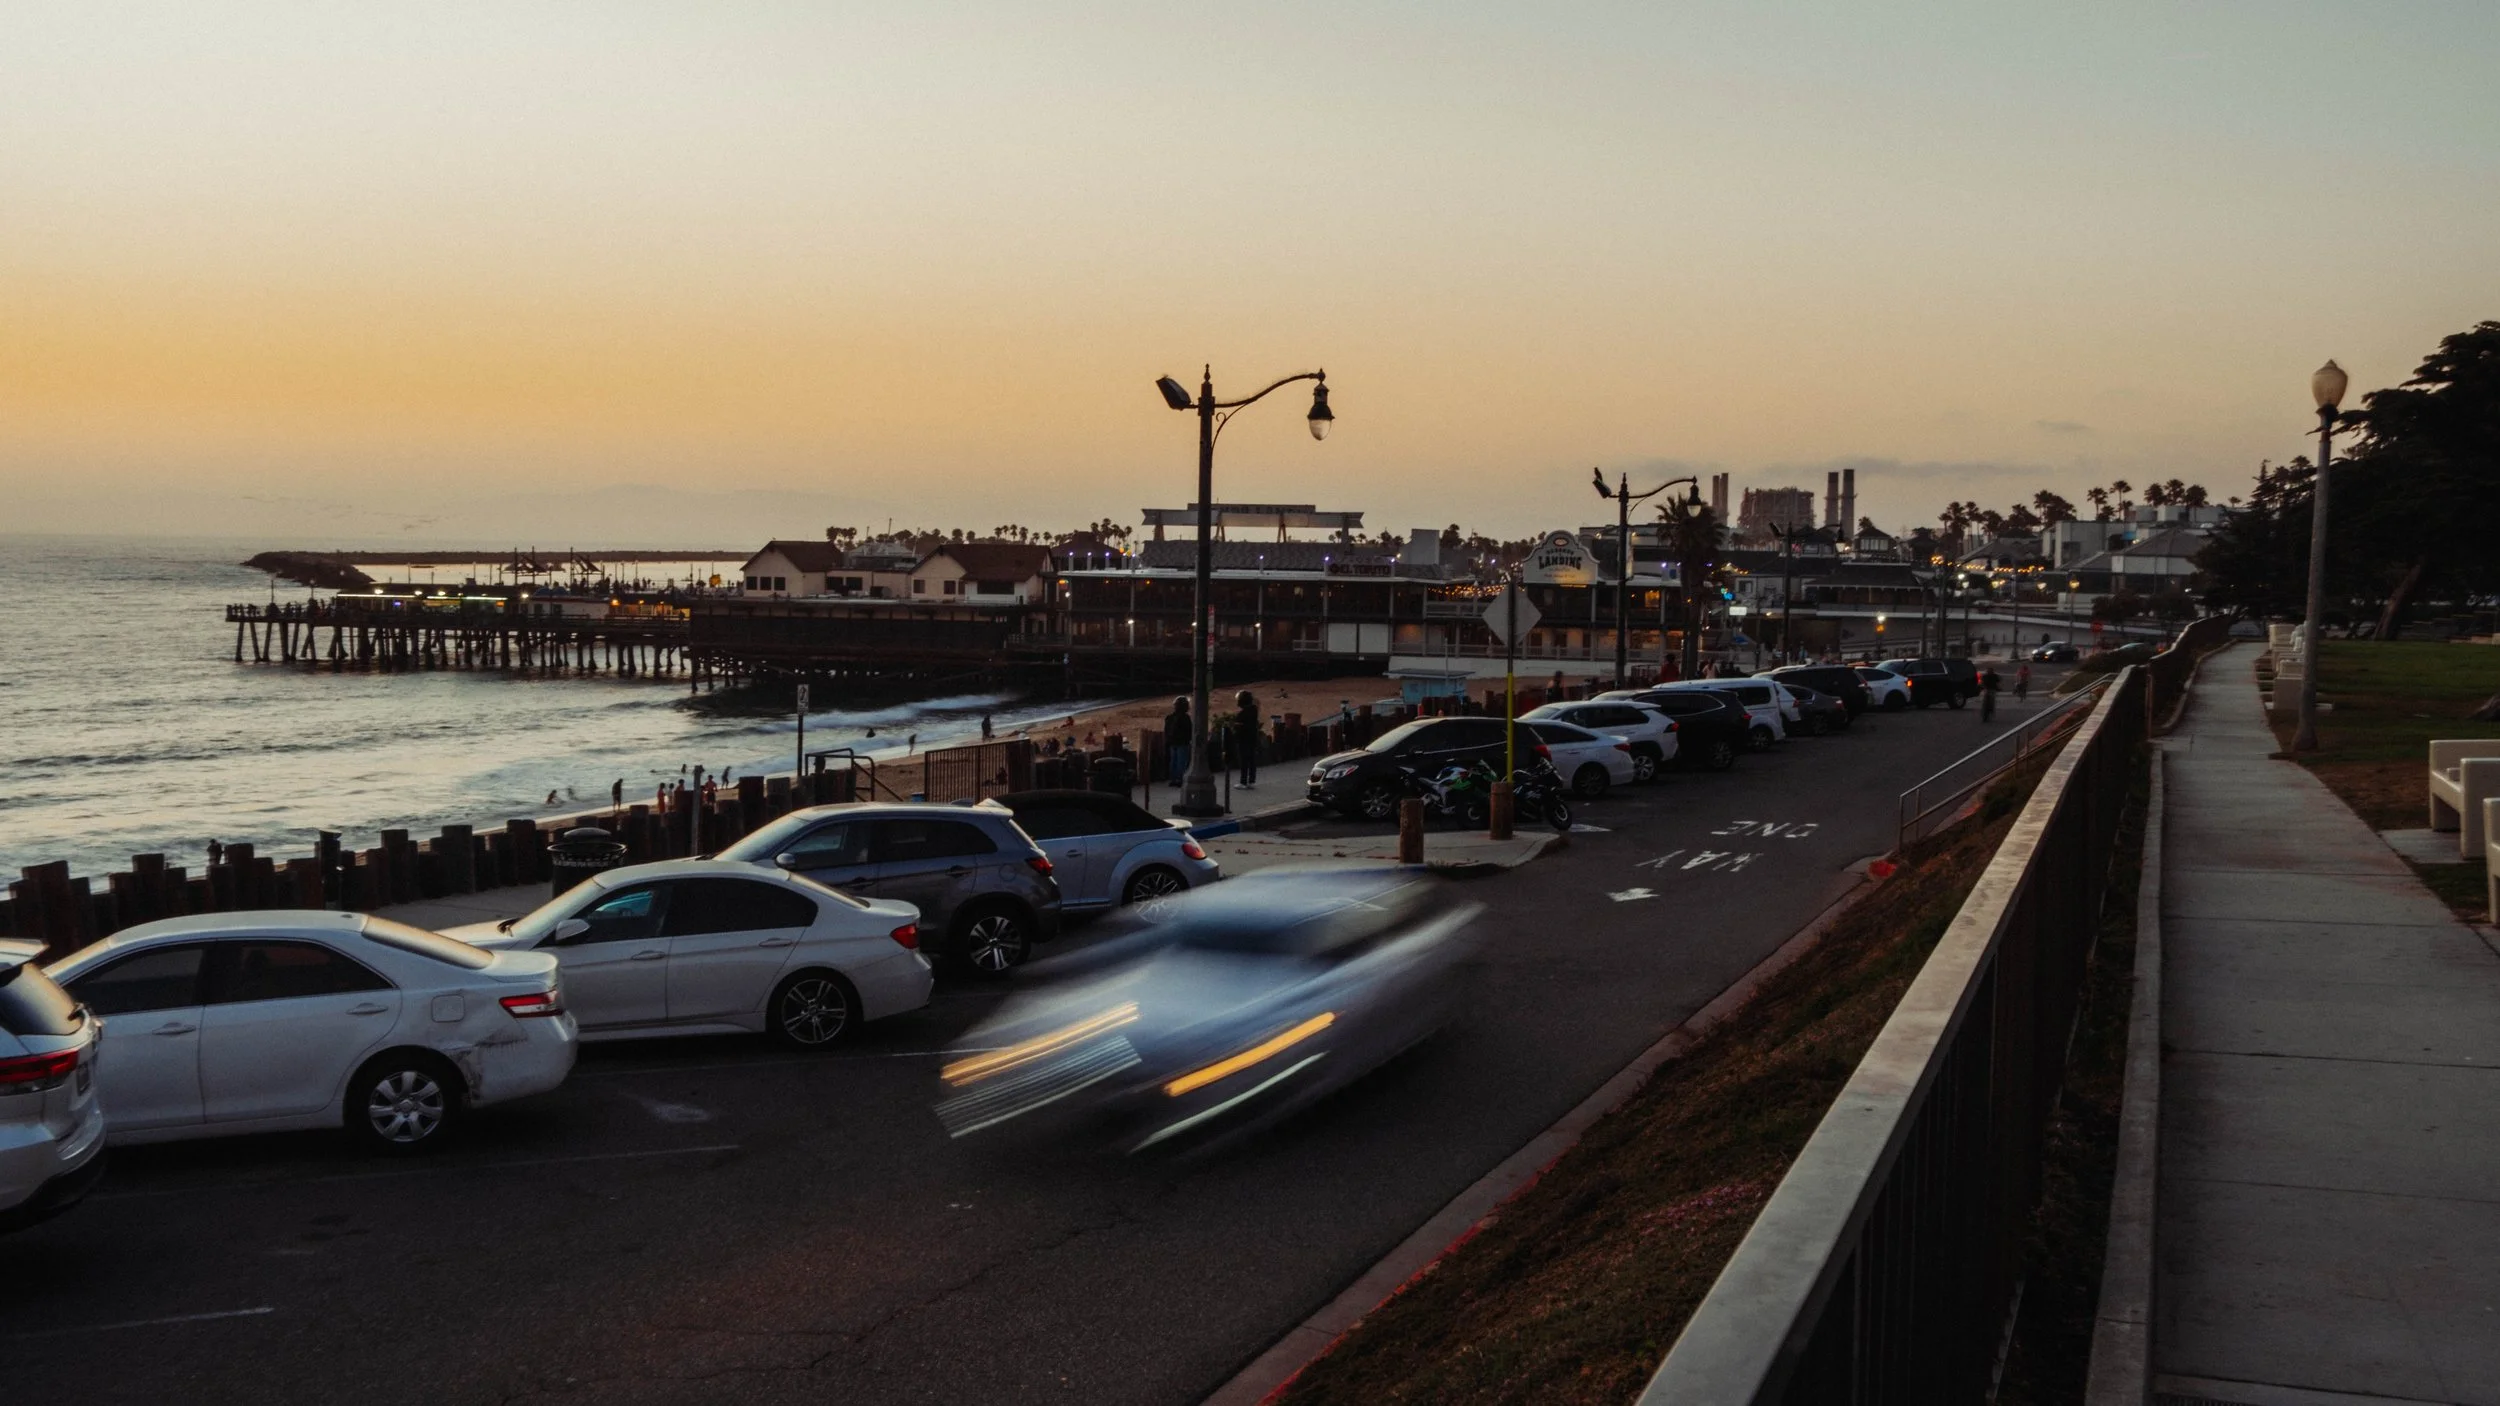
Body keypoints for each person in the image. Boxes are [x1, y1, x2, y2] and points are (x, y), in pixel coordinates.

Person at [1234, 689, 1260, 787]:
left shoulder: (1241, 714)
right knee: (1252, 760)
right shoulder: (1254, 710)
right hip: (1252, 738)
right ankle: (1252, 780)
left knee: (1244, 761)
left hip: (1243, 740)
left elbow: (1238, 729)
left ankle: (1243, 781)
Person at [1164, 695, 1191, 788]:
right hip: (1182, 743)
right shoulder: (1185, 718)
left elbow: (1166, 730)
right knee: (1181, 762)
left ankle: (1173, 779)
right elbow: (1189, 730)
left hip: (1172, 743)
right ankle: (1180, 779)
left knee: (1173, 761)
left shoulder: (1169, 717)